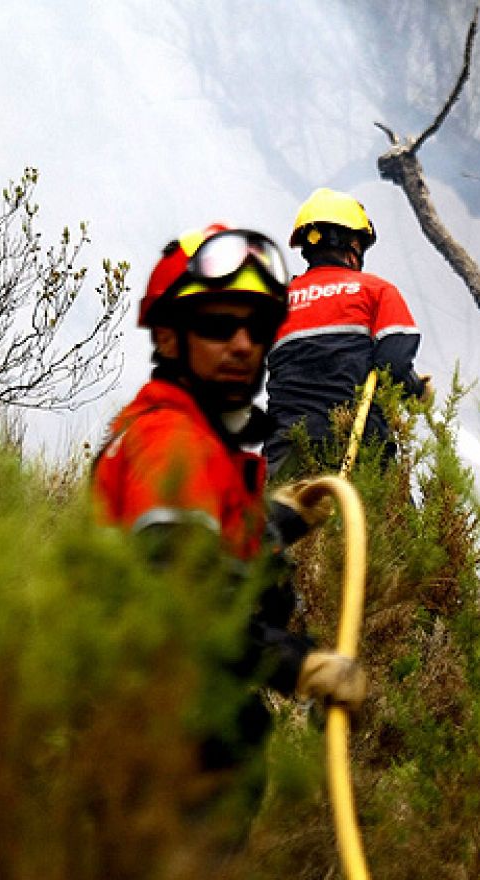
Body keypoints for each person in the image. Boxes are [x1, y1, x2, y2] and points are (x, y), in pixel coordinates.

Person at [91, 222, 367, 793]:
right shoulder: (170, 445)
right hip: (158, 747)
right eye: (218, 325)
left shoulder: (191, 443)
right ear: (169, 339)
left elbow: (203, 551)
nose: (243, 346)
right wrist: (299, 666)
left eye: (257, 326)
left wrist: (282, 517)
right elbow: (188, 604)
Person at [264, 188, 430, 478]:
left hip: (287, 451)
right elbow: (393, 363)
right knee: (392, 520)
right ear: (353, 244)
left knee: (278, 520)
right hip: (357, 445)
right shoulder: (376, 292)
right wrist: (416, 389)